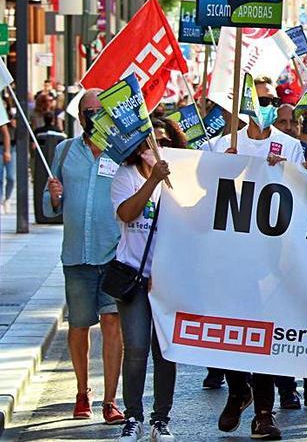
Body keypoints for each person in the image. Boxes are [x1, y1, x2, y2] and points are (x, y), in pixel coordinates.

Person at [209, 77, 305, 440]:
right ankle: (237, 391)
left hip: (272, 256)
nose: (263, 105)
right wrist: (220, 167)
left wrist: (289, 172)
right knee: (232, 331)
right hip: (231, 257)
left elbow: (304, 193)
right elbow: (205, 191)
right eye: (257, 99)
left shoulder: (291, 146)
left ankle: (265, 413)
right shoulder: (223, 144)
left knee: (263, 332)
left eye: (269, 100)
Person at [43, 89, 124, 424]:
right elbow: (50, 208)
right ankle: (81, 392)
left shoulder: (121, 152)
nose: (94, 116)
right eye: (88, 110)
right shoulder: (64, 151)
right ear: (80, 116)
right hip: (76, 254)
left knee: (111, 322)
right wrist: (54, 196)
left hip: (113, 252)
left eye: (99, 110)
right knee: (78, 326)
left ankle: (110, 400)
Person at [112, 118, 185, 441]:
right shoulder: (125, 176)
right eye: (151, 142)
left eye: (165, 141)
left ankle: (161, 419)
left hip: (166, 279)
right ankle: (133, 417)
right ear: (140, 147)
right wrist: (152, 181)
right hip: (133, 276)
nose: (157, 147)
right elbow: (128, 214)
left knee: (164, 350)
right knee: (137, 347)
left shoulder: (182, 180)